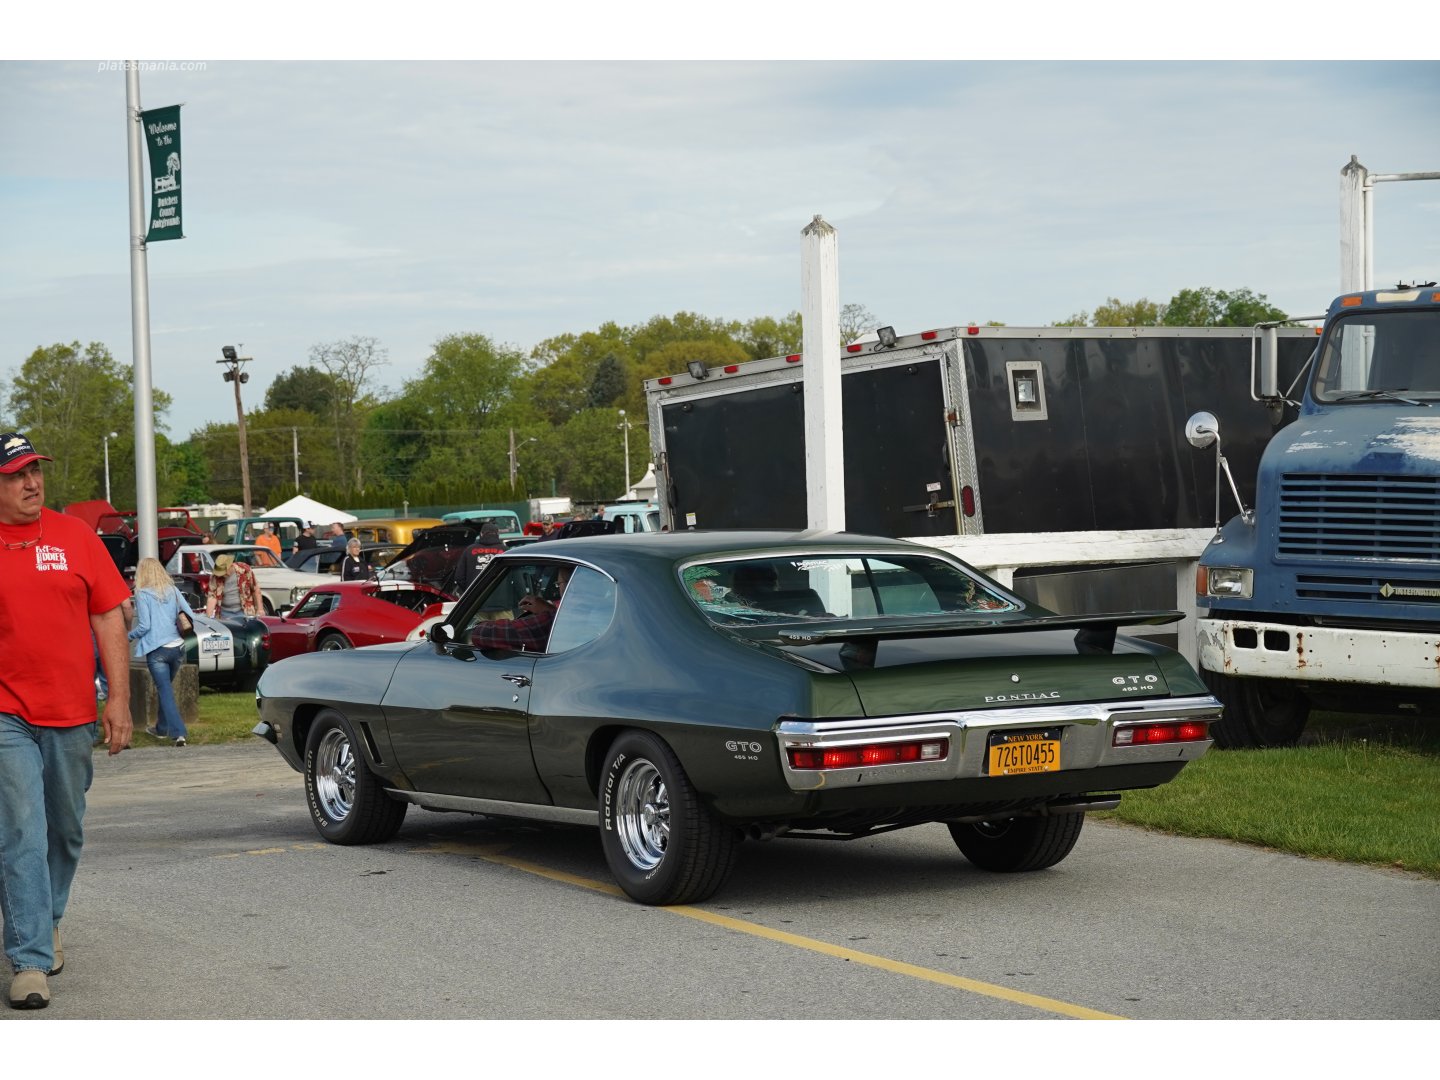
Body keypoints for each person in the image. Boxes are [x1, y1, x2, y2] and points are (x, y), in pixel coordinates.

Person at [0, 431, 132, 1010]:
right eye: (16, 475)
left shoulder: (75, 535)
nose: (32, 483)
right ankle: (29, 961)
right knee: (21, 830)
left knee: (66, 828)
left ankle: (47, 918)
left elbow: (107, 616)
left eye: (35, 471)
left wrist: (119, 699)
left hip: (71, 710)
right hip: (6, 713)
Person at [128, 557, 198, 747]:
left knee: (165, 691)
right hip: (177, 648)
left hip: (157, 650)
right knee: (164, 689)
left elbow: (144, 626)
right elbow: (189, 614)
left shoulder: (142, 594)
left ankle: (179, 733)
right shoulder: (173, 590)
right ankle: (161, 728)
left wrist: (128, 636)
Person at [469, 564, 572, 650]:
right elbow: (518, 581)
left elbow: (482, 634)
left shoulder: (550, 622)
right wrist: (551, 610)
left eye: (558, 584)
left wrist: (474, 626)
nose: (558, 588)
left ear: (569, 586)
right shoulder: (574, 619)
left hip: (480, 606)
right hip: (504, 606)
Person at [204, 553, 261, 617]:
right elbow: (212, 597)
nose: (221, 575)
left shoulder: (245, 570)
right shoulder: (215, 577)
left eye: (223, 572)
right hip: (224, 613)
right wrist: (209, 617)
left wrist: (260, 609)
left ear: (230, 565)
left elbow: (255, 589)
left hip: (245, 611)